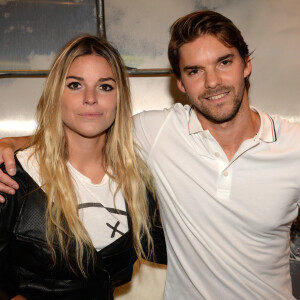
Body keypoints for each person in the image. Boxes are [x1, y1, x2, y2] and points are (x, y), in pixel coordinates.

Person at [0, 9, 299, 300]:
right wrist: (12, 143)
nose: (212, 82)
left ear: (246, 64)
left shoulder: (294, 146)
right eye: (195, 70)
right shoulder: (158, 132)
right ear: (180, 82)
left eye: (224, 62)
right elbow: (85, 124)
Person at [0, 34, 166, 300]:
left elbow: (182, 249)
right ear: (56, 94)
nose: (90, 98)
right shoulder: (12, 175)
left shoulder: (139, 182)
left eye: (105, 87)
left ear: (119, 98)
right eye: (75, 85)